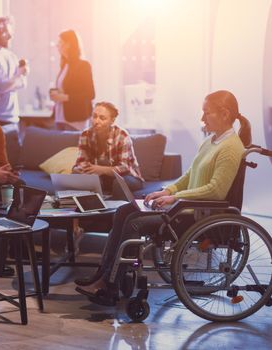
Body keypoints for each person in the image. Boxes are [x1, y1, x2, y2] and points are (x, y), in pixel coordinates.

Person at [75, 90, 249, 305]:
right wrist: (168, 191)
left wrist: (176, 198)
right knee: (123, 211)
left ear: (224, 114)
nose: (202, 118)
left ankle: (112, 284)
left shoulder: (231, 147)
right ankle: (104, 273)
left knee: (135, 223)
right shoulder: (211, 141)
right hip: (186, 207)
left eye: (207, 113)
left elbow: (216, 191)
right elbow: (189, 175)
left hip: (198, 215)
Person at [72, 101, 144, 195]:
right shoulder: (86, 134)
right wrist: (81, 169)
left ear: (112, 120)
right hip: (101, 177)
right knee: (77, 175)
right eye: (94, 116)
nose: (96, 121)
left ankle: (117, 209)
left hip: (128, 176)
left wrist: (101, 169)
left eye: (102, 118)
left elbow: (125, 167)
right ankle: (91, 208)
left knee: (118, 183)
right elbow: (81, 161)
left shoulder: (122, 135)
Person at [50, 29, 95, 131]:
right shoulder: (64, 66)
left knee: (73, 147)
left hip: (75, 121)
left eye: (60, 42)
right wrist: (56, 94)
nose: (57, 46)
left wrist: (65, 97)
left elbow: (90, 94)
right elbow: (68, 89)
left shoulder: (83, 66)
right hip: (60, 118)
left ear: (69, 44)